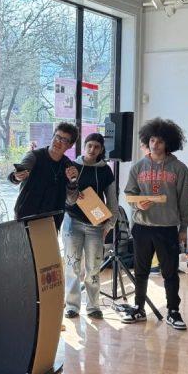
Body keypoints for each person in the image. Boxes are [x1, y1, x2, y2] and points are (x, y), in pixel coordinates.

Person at [123, 118, 188, 330]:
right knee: (141, 271)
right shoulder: (137, 167)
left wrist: (183, 229)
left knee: (170, 272)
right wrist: (137, 206)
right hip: (142, 227)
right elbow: (129, 194)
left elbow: (184, 201)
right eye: (152, 140)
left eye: (160, 141)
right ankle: (138, 308)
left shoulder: (179, 169)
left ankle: (173, 311)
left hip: (167, 228)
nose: (155, 145)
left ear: (168, 143)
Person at [63, 133, 117, 320]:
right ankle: (72, 305)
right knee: (72, 265)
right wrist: (74, 190)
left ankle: (93, 306)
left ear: (101, 150)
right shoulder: (72, 166)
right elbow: (67, 199)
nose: (92, 149)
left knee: (93, 267)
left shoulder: (105, 171)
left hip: (96, 225)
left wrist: (109, 224)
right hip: (73, 222)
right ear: (84, 146)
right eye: (89, 145)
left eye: (96, 147)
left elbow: (112, 200)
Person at [9, 122, 79, 231]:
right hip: (26, 217)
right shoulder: (35, 156)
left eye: (64, 140)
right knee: (24, 248)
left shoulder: (68, 166)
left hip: (52, 221)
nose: (58, 142)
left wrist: (72, 183)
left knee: (47, 249)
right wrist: (16, 177)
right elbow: (17, 173)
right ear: (53, 136)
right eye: (57, 137)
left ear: (70, 145)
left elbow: (71, 201)